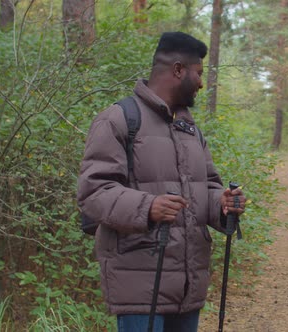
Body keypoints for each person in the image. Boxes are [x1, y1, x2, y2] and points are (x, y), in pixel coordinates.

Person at [77, 31, 246, 332]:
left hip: (187, 283)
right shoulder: (118, 120)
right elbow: (94, 191)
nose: (201, 83)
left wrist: (221, 202)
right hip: (139, 283)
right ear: (178, 70)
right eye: (198, 73)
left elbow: (205, 187)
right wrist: (148, 206)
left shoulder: (190, 129)